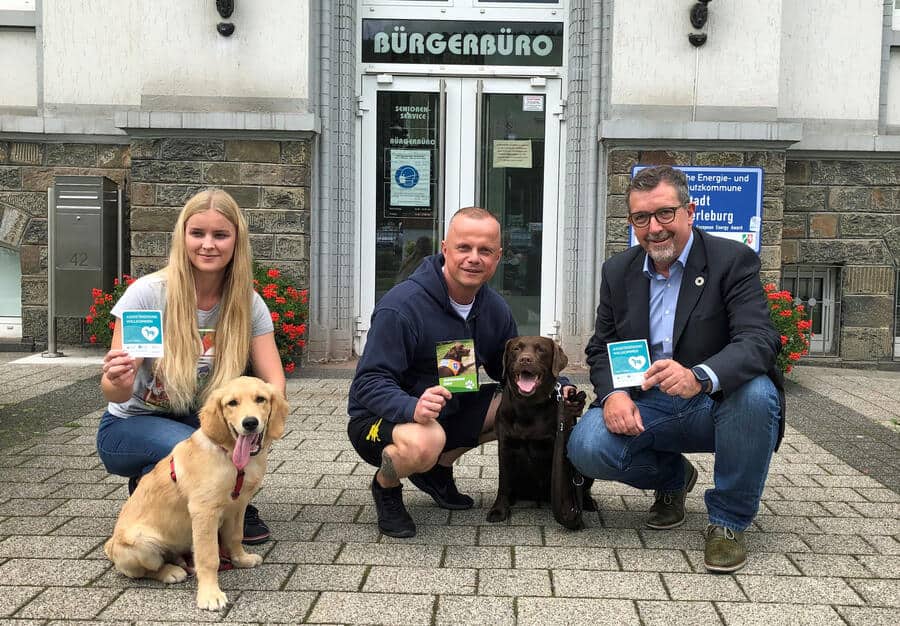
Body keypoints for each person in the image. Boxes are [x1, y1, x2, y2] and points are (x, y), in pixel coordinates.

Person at [567, 165, 784, 573]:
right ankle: (672, 478)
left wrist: (699, 376)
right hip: (648, 402)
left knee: (757, 394)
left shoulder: (731, 260)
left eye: (665, 213)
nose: (654, 228)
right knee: (587, 446)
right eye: (640, 218)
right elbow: (602, 346)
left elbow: (759, 340)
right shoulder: (618, 271)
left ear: (690, 211)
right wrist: (613, 395)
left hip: (715, 405)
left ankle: (728, 522)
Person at [96, 188, 286, 545]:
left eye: (220, 235)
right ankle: (162, 485)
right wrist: (115, 377)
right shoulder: (148, 294)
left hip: (194, 417)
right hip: (130, 424)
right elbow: (115, 392)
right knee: (201, 448)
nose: (208, 245)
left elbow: (274, 380)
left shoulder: (247, 302)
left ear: (236, 241)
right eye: (197, 233)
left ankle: (230, 502)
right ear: (182, 236)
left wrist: (265, 418)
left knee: (224, 438)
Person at [347, 207, 517, 538]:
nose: (473, 258)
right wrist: (412, 407)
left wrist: (557, 386)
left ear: (498, 257)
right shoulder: (402, 306)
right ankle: (387, 485)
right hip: (382, 420)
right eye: (463, 248)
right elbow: (368, 383)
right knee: (425, 441)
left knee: (520, 406)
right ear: (444, 249)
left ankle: (437, 470)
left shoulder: (494, 308)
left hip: (448, 407)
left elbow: (508, 371)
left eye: (484, 250)